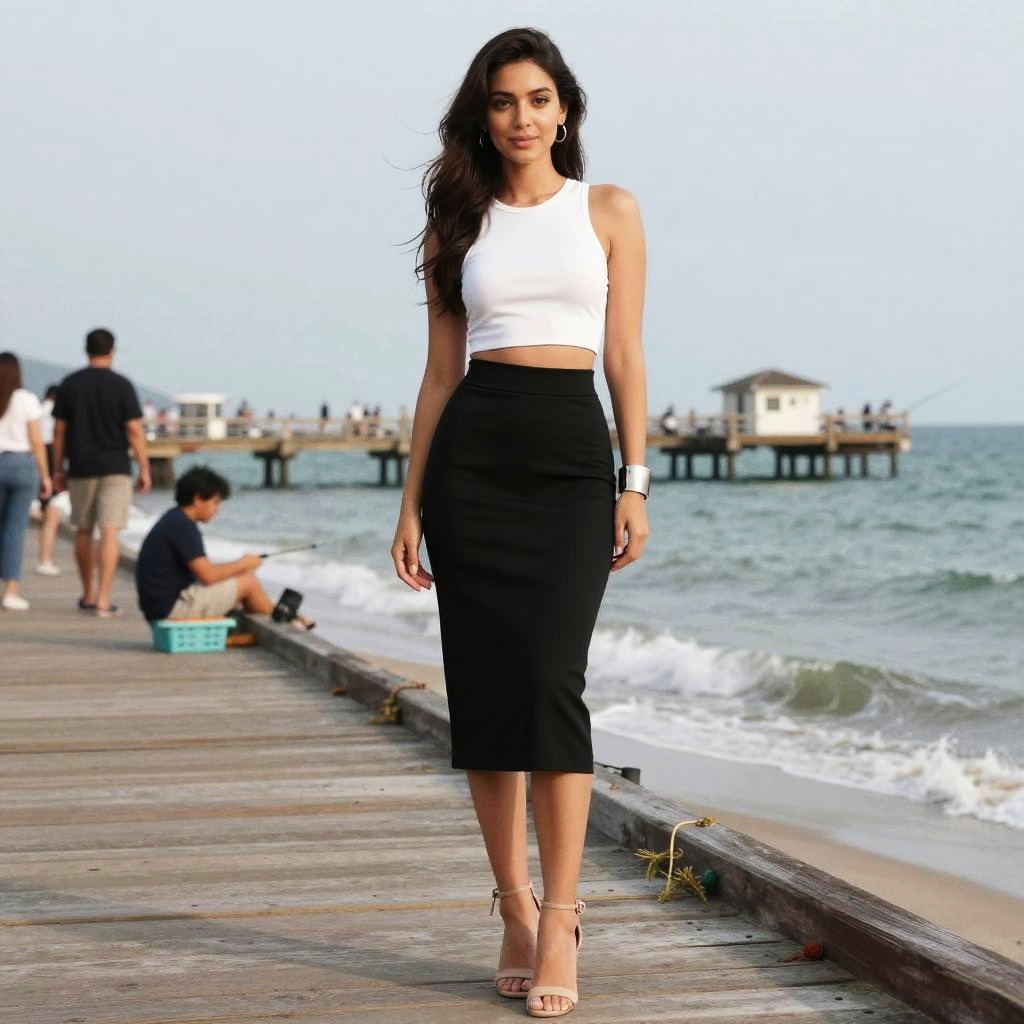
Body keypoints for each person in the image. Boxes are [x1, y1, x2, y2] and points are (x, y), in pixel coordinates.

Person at [390, 29, 650, 1018]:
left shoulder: (608, 210)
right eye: (503, 101)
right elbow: (437, 375)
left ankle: (565, 916)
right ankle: (514, 907)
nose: (522, 117)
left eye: (539, 99)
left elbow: (624, 357)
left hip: (571, 458)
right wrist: (410, 502)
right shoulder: (455, 224)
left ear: (565, 109)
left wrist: (635, 482)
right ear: (483, 115)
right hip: (475, 460)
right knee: (489, 698)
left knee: (550, 684)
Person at [51, 327, 151, 617]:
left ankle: (88, 594)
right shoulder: (122, 385)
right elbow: (134, 430)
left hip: (80, 466)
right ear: (112, 351)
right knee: (110, 531)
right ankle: (104, 600)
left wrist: (57, 468)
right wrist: (144, 467)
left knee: (83, 530)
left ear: (86, 350)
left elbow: (59, 431)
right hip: (115, 466)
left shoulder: (70, 384)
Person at [135, 466, 276, 622]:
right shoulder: (183, 526)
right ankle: (281, 626)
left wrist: (240, 569)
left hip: (160, 605)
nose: (217, 510)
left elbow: (203, 572)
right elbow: (208, 576)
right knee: (249, 583)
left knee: (241, 578)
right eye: (215, 503)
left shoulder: (174, 519)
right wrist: (244, 563)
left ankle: (282, 620)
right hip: (169, 608)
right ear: (197, 499)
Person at [0, 353, 53, 610]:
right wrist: (45, 475)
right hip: (22, 464)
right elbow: (36, 441)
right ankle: (10, 591)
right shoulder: (27, 399)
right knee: (15, 529)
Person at [35, 384, 64, 576]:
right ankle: (45, 559)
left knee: (46, 514)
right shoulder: (54, 414)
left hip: (35, 462)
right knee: (52, 516)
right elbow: (57, 437)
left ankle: (44, 557)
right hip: (50, 462)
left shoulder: (38, 409)